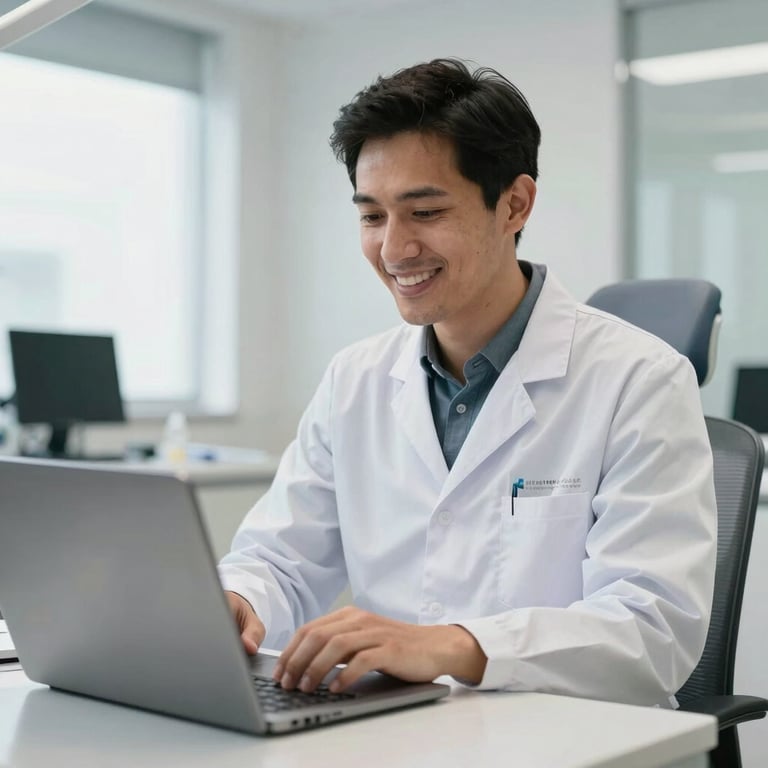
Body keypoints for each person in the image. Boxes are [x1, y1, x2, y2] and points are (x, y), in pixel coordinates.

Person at [218, 58, 716, 707]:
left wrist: (458, 646)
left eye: (424, 212)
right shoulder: (355, 380)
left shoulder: (640, 379)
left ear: (514, 203)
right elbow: (280, 559)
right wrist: (239, 601)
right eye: (372, 217)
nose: (395, 250)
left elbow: (654, 631)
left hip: (571, 736)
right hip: (399, 731)